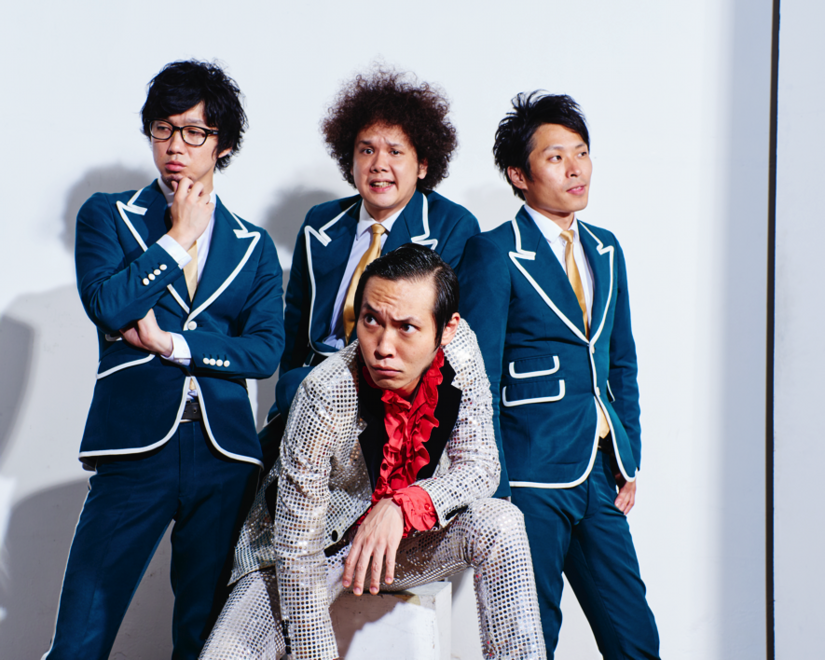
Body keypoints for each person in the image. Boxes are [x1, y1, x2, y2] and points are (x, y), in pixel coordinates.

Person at [42, 60, 284, 660]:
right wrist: (178, 239)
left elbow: (264, 350)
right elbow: (109, 304)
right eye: (163, 129)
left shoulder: (254, 246)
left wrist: (172, 345)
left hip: (224, 454)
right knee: (82, 632)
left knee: (205, 637)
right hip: (135, 444)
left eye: (194, 132)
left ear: (223, 145)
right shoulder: (108, 215)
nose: (176, 146)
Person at [201, 245, 545, 660]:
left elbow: (482, 466)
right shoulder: (325, 392)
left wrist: (405, 505)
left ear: (447, 329)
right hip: (304, 555)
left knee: (502, 521)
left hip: (400, 546)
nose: (383, 346)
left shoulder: (461, 351)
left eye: (406, 328)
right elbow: (296, 547)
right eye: (371, 321)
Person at [458, 92, 660, 659]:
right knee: (530, 640)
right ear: (518, 175)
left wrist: (627, 456)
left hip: (598, 473)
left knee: (635, 638)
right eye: (555, 157)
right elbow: (474, 378)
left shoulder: (606, 249)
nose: (575, 169)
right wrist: (495, 488)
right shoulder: (493, 252)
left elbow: (621, 362)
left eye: (581, 152)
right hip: (528, 478)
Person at [268, 68, 480, 431]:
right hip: (310, 394)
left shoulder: (452, 226)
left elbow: (450, 341)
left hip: (395, 400)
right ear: (349, 159)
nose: (379, 164)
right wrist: (283, 404)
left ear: (423, 164)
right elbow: (296, 325)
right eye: (367, 150)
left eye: (395, 151)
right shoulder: (320, 222)